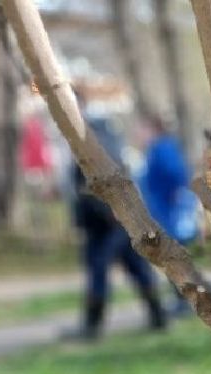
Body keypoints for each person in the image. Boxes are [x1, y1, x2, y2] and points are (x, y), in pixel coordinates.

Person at [68, 114, 167, 340]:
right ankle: (158, 315)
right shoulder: (111, 150)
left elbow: (90, 193)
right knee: (137, 269)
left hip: (104, 227)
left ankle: (92, 326)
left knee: (99, 271)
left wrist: (106, 215)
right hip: (119, 223)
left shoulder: (91, 156)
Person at [139, 115, 199, 315]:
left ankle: (188, 300)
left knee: (173, 256)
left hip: (169, 214)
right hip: (164, 213)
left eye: (143, 129)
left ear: (153, 129)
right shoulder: (158, 148)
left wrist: (173, 196)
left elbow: (176, 175)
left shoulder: (162, 148)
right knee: (173, 257)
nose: (139, 134)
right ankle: (186, 299)